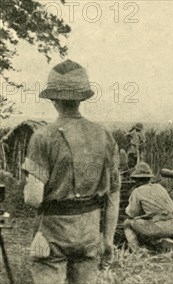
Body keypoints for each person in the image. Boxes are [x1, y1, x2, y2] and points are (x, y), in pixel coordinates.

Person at [21, 60, 121, 283]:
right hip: (89, 231)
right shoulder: (104, 135)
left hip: (53, 232)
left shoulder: (43, 137)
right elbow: (113, 194)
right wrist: (108, 240)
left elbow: (33, 198)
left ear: (53, 99)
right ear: (81, 98)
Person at [123, 162, 173, 250]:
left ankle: (135, 249)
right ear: (149, 178)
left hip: (161, 228)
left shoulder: (137, 191)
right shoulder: (160, 187)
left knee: (127, 223)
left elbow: (132, 214)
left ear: (136, 179)